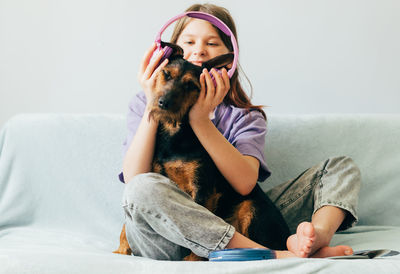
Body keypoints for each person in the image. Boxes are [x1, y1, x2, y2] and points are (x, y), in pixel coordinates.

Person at [118, 3, 361, 260]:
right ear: (169, 51)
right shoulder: (144, 102)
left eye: (211, 44)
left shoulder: (243, 115)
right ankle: (270, 255)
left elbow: (245, 185)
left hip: (237, 218)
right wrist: (153, 101)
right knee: (142, 188)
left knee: (340, 167)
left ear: (228, 61)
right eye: (188, 42)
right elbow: (135, 178)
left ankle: (314, 239)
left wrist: (201, 120)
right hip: (167, 234)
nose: (198, 50)